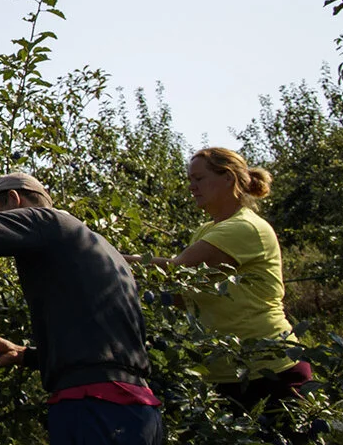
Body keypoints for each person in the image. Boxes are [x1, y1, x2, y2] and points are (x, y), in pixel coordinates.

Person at [0, 173, 164, 445]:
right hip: (132, 408)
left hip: (96, 406)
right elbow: (104, 343)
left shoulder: (49, 222)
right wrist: (25, 355)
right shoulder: (100, 248)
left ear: (13, 200)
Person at [123, 148, 312, 412]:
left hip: (270, 369)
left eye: (199, 179)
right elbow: (182, 294)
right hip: (226, 372)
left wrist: (107, 256)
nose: (192, 187)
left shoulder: (244, 228)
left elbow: (178, 271)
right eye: (190, 180)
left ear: (228, 178)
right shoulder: (206, 231)